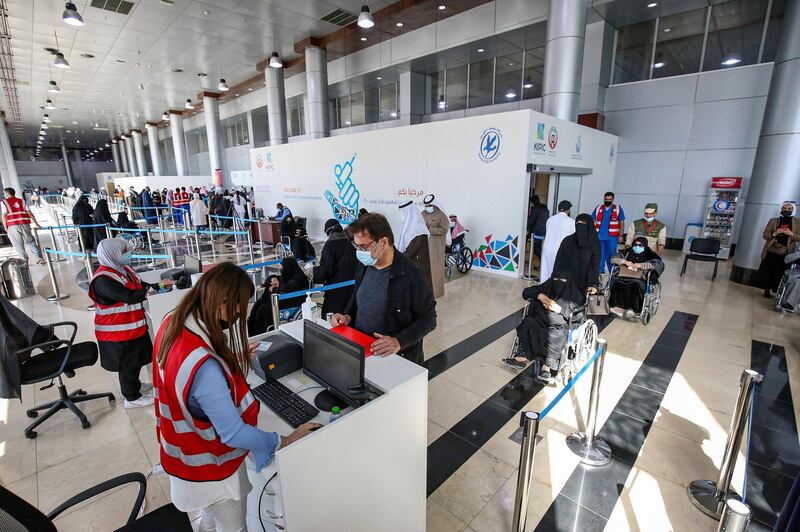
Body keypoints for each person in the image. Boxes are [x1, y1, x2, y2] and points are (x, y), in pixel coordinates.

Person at [154, 263, 319, 530]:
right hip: (209, 466)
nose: (241, 312)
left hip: (181, 453)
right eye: (239, 306)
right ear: (223, 301)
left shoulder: (173, 321)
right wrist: (286, 439)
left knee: (209, 517)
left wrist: (231, 358)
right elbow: (234, 434)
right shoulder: (205, 367)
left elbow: (187, 378)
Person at [330, 213, 436, 365]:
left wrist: (399, 341)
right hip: (362, 349)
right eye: (356, 246)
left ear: (384, 242)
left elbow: (429, 318)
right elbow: (358, 298)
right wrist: (347, 316)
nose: (359, 252)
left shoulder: (412, 274)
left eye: (364, 246)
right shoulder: (364, 265)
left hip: (394, 357)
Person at [504, 214, 600, 371]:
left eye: (583, 225)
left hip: (579, 288)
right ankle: (522, 356)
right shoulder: (568, 241)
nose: (580, 228)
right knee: (534, 318)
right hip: (561, 281)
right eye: (578, 224)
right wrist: (554, 283)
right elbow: (558, 263)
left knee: (558, 325)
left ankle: (547, 365)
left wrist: (593, 284)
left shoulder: (594, 244)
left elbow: (594, 267)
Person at [88, 238, 173, 408]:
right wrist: (150, 291)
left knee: (136, 360)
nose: (127, 253)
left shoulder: (123, 269)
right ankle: (131, 398)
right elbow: (129, 296)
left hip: (132, 327)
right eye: (124, 250)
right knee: (126, 364)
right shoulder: (103, 279)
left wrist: (159, 285)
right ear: (113, 253)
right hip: (116, 332)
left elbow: (140, 286)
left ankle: (136, 385)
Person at [511, 267, 586, 382]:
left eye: (563, 281)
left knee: (556, 334)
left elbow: (579, 316)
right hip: (540, 320)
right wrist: (539, 295)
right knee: (527, 322)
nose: (558, 282)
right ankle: (522, 356)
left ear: (569, 281)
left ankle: (547, 366)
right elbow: (526, 292)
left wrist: (560, 310)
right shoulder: (547, 287)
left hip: (559, 326)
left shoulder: (575, 295)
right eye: (555, 279)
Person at [247, 258, 310, 335]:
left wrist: (274, 289)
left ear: (288, 267)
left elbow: (288, 287)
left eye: (282, 268)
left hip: (291, 303)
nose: (281, 270)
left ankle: (260, 333)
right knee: (259, 303)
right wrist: (273, 278)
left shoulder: (299, 278)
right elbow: (276, 278)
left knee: (262, 309)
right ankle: (252, 330)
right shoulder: (289, 274)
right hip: (285, 300)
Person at [609, 236, 665, 318]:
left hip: (641, 278)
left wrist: (641, 265)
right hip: (624, 275)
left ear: (645, 246)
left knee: (636, 284)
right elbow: (613, 259)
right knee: (616, 281)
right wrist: (624, 261)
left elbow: (659, 264)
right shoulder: (627, 252)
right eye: (635, 245)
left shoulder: (650, 254)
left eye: (640, 245)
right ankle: (617, 306)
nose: (637, 247)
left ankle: (635, 309)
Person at [312, 219, 358, 316]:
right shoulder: (351, 242)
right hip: (353, 287)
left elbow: (325, 271)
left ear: (329, 231)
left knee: (333, 317)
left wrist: (314, 271)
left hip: (336, 290)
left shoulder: (330, 244)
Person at [758, 202, 800, 298]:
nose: (786, 210)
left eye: (789, 209)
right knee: (767, 271)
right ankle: (766, 290)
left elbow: (798, 237)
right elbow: (765, 235)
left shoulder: (797, 222)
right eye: (784, 208)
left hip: (786, 252)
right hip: (772, 250)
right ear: (781, 209)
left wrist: (791, 234)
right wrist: (775, 233)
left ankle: (778, 291)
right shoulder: (773, 221)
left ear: (793, 210)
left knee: (781, 272)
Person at [1, 188, 45, 264]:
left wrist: (5, 227)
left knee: (18, 244)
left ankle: (24, 261)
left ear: (7, 194)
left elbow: (4, 215)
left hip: (12, 226)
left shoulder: (4, 202)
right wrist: (36, 223)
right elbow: (29, 213)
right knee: (31, 241)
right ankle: (39, 258)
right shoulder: (22, 201)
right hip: (25, 224)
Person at [397, 200, 432, 289]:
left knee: (420, 290)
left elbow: (411, 250)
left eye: (403, 211)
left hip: (418, 264)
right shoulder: (409, 225)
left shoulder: (417, 228)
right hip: (413, 263)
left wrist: (397, 257)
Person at [421, 195, 449, 299]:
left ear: (434, 205)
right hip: (424, 245)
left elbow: (444, 230)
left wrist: (430, 229)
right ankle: (425, 291)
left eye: (429, 205)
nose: (427, 207)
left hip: (436, 246)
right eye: (426, 205)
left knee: (436, 269)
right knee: (424, 269)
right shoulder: (423, 214)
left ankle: (437, 292)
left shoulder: (442, 215)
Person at [540, 200, 575, 283]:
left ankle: (545, 289)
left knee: (546, 272)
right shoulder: (571, 222)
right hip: (561, 251)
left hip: (548, 249)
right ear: (568, 210)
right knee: (558, 275)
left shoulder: (550, 219)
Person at [592, 192, 625, 274]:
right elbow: (593, 219)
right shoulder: (599, 207)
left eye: (609, 199)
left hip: (612, 237)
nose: (607, 201)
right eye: (606, 199)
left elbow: (621, 222)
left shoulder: (618, 208)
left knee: (611, 256)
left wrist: (621, 235)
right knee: (600, 255)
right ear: (604, 198)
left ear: (613, 199)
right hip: (599, 236)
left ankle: (613, 272)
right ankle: (600, 272)